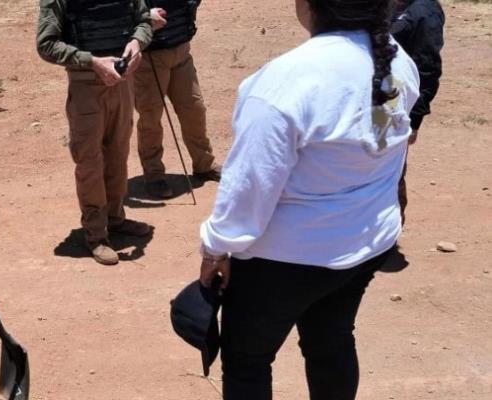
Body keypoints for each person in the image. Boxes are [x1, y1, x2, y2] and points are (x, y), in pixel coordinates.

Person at [196, 0, 419, 398]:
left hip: (285, 260)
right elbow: (381, 144)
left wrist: (217, 248)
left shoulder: (286, 81)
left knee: (247, 359)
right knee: (331, 342)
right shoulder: (395, 59)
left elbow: (250, 187)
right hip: (365, 245)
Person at [37, 0, 154, 265]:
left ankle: (114, 219)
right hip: (86, 85)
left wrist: (137, 42)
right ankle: (96, 234)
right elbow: (46, 44)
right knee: (90, 161)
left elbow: (145, 20)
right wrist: (91, 61)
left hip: (123, 82)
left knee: (118, 154)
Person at [135, 0, 221, 199]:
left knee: (194, 109)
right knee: (151, 118)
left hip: (181, 50)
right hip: (151, 57)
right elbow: (118, 9)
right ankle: (154, 175)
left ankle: (204, 165)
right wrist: (145, 16)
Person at [391, 0, 445, 224]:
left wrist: (414, 119)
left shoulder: (424, 10)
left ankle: (389, 234)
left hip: (395, 102)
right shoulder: (387, 5)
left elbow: (427, 67)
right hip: (372, 96)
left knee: (389, 169)